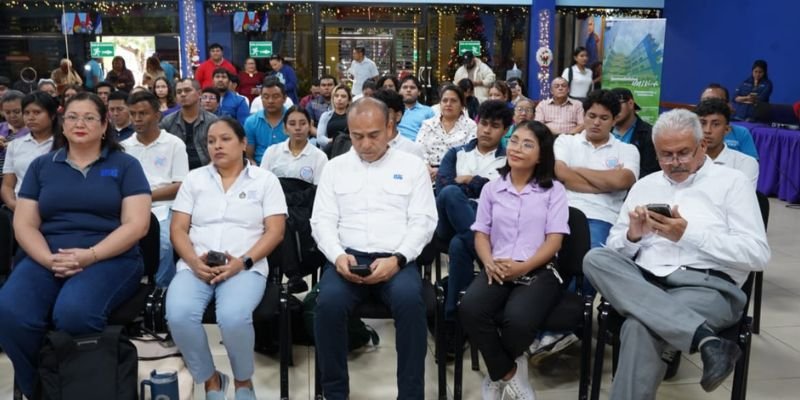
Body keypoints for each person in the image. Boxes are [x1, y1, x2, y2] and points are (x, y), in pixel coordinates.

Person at [582, 109, 770, 399]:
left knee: (639, 326)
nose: (674, 163)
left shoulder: (732, 183)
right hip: (644, 281)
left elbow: (757, 255)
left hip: (706, 286)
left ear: (702, 146)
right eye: (665, 155)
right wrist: (633, 236)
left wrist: (686, 234)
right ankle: (705, 340)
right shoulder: (645, 185)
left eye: (683, 153)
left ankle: (697, 336)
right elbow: (614, 247)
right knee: (595, 258)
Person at [0, 92, 152, 398]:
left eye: (89, 117)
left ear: (104, 123)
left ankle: (81, 389)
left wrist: (91, 256)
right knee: (11, 311)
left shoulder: (125, 165)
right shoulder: (42, 166)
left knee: (74, 313)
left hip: (110, 256)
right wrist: (47, 259)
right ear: (62, 123)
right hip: (47, 255)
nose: (79, 124)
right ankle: (41, 388)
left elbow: (137, 225)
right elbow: (24, 224)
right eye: (72, 117)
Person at [310, 97, 437, 400]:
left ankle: (410, 394)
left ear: (390, 127)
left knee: (410, 303)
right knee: (326, 305)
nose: (365, 144)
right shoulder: (335, 167)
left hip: (396, 261)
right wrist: (338, 256)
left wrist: (398, 258)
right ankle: (334, 393)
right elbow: (322, 221)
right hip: (347, 258)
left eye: (374, 135)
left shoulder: (412, 167)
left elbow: (424, 221)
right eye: (357, 136)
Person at [166, 117, 286, 400]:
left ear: (244, 143)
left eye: (225, 139)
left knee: (232, 318)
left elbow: (276, 231)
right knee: (179, 315)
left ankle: (243, 382)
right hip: (196, 266)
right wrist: (193, 261)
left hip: (245, 266)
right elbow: (178, 229)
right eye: (211, 141)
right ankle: (211, 380)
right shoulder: (195, 179)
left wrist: (242, 262)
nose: (217, 145)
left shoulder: (265, 180)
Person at [460, 120, 569, 400]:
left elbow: (554, 241)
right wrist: (488, 262)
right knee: (471, 308)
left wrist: (524, 266)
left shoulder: (554, 191)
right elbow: (481, 234)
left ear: (541, 155)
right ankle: (507, 371)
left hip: (539, 269)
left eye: (527, 144)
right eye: (515, 140)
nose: (517, 148)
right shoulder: (492, 189)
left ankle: (499, 370)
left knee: (517, 321)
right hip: (497, 266)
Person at [435, 100, 511, 323]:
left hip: (489, 221)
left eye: (495, 126)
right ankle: (488, 260)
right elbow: (443, 188)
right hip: (449, 221)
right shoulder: (456, 153)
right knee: (450, 194)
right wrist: (483, 183)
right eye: (484, 123)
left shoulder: (509, 159)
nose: (487, 130)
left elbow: (502, 195)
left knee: (460, 245)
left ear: (505, 130)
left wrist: (469, 180)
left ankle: (454, 321)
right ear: (476, 123)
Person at [122, 91, 189, 287]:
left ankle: (161, 290)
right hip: (130, 207)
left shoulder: (173, 144)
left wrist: (145, 197)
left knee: (165, 244)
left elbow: (180, 185)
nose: (137, 119)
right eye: (133, 113)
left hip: (165, 206)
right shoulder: (124, 147)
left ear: (157, 115)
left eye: (143, 113)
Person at [1, 92, 59, 211]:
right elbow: (7, 186)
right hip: (20, 208)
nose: (31, 117)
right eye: (26, 113)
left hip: (56, 209)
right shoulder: (15, 145)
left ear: (52, 115)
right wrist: (14, 206)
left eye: (37, 112)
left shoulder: (65, 144)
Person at [695, 98, 759, 188]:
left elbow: (741, 200)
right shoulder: (682, 160)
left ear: (727, 130)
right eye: (702, 123)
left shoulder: (745, 163)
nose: (707, 130)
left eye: (715, 124)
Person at [415, 84, 477, 178]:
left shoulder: (470, 126)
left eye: (453, 101)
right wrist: (426, 167)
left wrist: (442, 171)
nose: (448, 104)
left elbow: (470, 155)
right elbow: (419, 149)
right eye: (445, 100)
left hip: (456, 175)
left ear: (462, 105)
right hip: (427, 173)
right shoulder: (428, 124)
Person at [160, 78, 218, 170]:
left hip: (207, 170)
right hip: (175, 172)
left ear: (199, 94)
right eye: (179, 92)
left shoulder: (212, 121)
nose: (183, 94)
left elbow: (218, 151)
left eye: (187, 90)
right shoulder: (167, 122)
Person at [261, 106, 327, 184]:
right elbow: (263, 183)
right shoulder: (272, 152)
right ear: (285, 128)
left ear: (310, 126)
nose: (297, 128)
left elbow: (319, 189)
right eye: (292, 124)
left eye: (303, 123)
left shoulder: (319, 157)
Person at [700, 84, 759, 159]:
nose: (709, 105)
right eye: (705, 101)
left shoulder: (741, 133)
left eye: (715, 101)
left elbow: (752, 163)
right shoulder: (690, 132)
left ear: (728, 105)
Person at [611, 88, 658, 177]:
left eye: (617, 104)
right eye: (610, 106)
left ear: (631, 103)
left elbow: (649, 172)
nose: (613, 109)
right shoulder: (605, 130)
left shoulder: (649, 134)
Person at [244, 77, 288, 165]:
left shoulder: (293, 120)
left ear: (284, 99)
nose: (270, 101)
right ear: (261, 98)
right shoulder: (251, 122)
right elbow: (249, 157)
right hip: (260, 168)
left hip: (288, 168)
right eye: (266, 97)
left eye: (275, 97)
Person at [373, 88, 425, 159]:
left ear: (398, 116)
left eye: (384, 111)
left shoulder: (412, 150)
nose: (377, 116)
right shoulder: (363, 147)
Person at [397, 75, 435, 141]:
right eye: (405, 87)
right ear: (399, 91)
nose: (408, 90)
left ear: (419, 92)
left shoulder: (428, 111)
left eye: (412, 87)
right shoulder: (394, 110)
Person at [0, 91, 30, 173]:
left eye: (17, 112)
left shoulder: (33, 131)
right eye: (7, 112)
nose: (12, 116)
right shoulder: (1, 127)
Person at [316, 84, 351, 150]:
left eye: (343, 96)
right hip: (329, 150)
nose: (339, 99)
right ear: (333, 98)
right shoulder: (325, 116)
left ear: (349, 100)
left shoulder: (353, 117)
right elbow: (320, 138)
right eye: (336, 96)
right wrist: (334, 141)